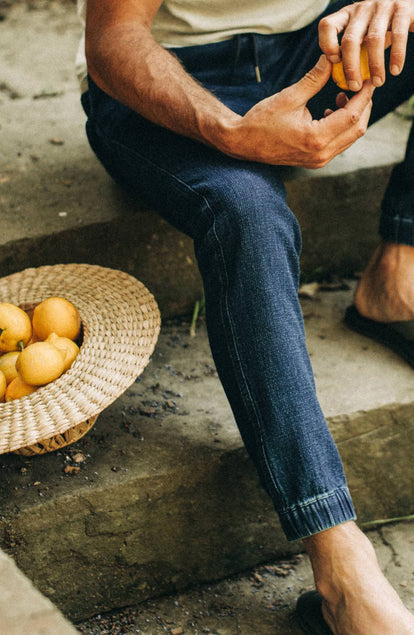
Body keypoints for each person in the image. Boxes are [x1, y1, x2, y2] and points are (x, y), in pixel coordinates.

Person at [77, 0, 414, 632]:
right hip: (166, 83)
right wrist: (232, 134)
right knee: (250, 218)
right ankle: (343, 569)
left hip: (313, 50)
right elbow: (113, 42)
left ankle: (398, 270)